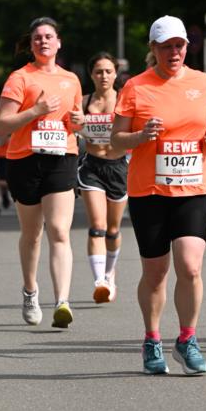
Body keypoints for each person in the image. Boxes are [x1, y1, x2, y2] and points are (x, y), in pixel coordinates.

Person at [110, 15, 206, 375]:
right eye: (166, 46)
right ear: (153, 49)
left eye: (179, 45)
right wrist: (140, 137)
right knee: (156, 273)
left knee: (190, 265)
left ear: (188, 47)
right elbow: (115, 141)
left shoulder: (204, 83)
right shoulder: (136, 87)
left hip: (192, 186)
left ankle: (187, 339)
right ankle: (152, 339)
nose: (174, 52)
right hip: (150, 189)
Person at [0, 16, 82, 328]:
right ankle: (30, 290)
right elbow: (2, 126)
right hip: (24, 159)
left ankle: (62, 302)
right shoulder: (20, 78)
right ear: (31, 46)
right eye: (37, 38)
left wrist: (80, 123)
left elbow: (74, 120)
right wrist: (35, 112)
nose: (43, 41)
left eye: (48, 36)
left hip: (61, 157)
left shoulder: (71, 79)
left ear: (59, 42)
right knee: (32, 234)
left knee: (59, 230)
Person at [74, 52, 128, 303]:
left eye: (108, 71)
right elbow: (69, 127)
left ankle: (109, 274)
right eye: (98, 71)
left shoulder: (124, 101)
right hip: (92, 167)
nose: (103, 76)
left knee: (113, 230)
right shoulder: (83, 102)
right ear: (91, 75)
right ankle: (99, 282)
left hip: (118, 168)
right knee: (98, 226)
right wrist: (76, 124)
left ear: (115, 74)